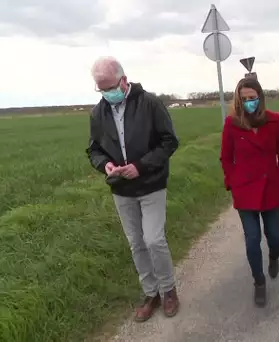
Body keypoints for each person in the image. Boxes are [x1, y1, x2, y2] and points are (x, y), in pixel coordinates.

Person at [86, 56, 180, 322]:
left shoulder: (149, 103)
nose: (107, 93)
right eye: (101, 89)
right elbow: (94, 149)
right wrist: (105, 165)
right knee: (136, 244)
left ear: (123, 80)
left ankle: (169, 290)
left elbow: (169, 142)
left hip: (151, 184)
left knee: (154, 240)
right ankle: (151, 293)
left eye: (109, 87)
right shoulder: (98, 113)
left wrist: (141, 166)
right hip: (121, 190)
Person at [220, 77, 279, 308]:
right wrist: (232, 182)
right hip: (245, 190)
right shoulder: (232, 124)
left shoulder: (274, 121)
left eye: (253, 98)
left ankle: (274, 256)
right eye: (245, 99)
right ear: (238, 100)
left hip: (270, 187)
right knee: (252, 239)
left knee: (275, 237)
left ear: (260, 98)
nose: (249, 102)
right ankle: (259, 282)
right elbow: (226, 158)